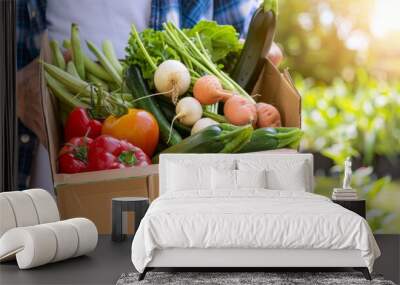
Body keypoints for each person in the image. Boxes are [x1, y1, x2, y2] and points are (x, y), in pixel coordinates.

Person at [16, 0, 283, 190]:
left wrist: (264, 53)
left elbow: (244, 35)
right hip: (51, 141)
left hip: (169, 140)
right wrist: (12, 90)